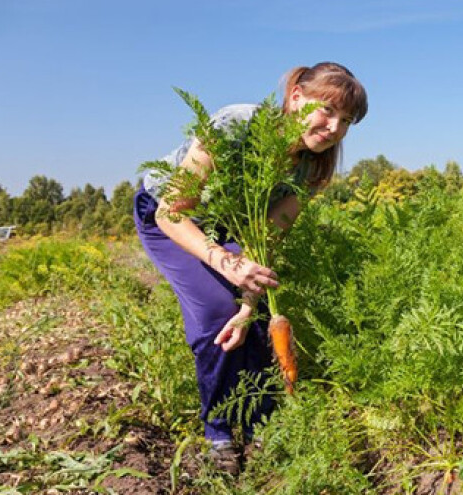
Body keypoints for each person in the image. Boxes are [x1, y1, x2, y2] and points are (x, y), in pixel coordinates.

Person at [133, 62, 367, 474]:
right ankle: (218, 433)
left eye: (346, 121)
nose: (334, 128)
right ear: (296, 97)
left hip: (230, 224)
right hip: (168, 217)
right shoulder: (234, 126)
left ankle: (264, 425)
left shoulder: (315, 167)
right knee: (212, 313)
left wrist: (247, 301)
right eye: (327, 110)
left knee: (253, 320)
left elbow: (267, 236)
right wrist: (225, 263)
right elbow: (172, 212)